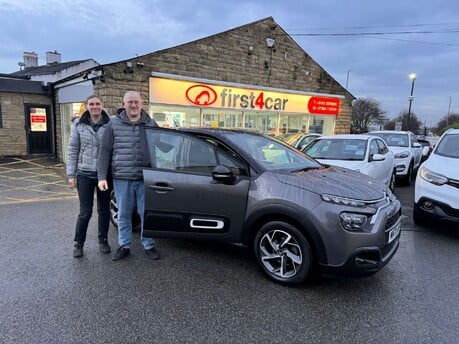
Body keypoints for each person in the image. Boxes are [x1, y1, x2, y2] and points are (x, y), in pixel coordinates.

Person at [97, 91, 160, 261]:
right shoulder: (113, 124)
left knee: (145, 213)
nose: (133, 105)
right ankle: (124, 245)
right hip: (122, 177)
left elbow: (162, 144)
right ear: (123, 104)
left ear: (142, 104)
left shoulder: (151, 124)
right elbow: (105, 151)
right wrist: (101, 176)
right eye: (130, 102)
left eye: (136, 102)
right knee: (124, 213)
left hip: (144, 178)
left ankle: (149, 244)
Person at [67, 95, 112, 258]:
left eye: (97, 104)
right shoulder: (79, 125)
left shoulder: (110, 124)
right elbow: (72, 150)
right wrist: (71, 174)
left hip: (104, 175)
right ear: (86, 106)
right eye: (91, 104)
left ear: (102, 105)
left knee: (104, 210)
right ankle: (79, 243)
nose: (94, 107)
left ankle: (103, 240)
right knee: (85, 212)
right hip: (84, 174)